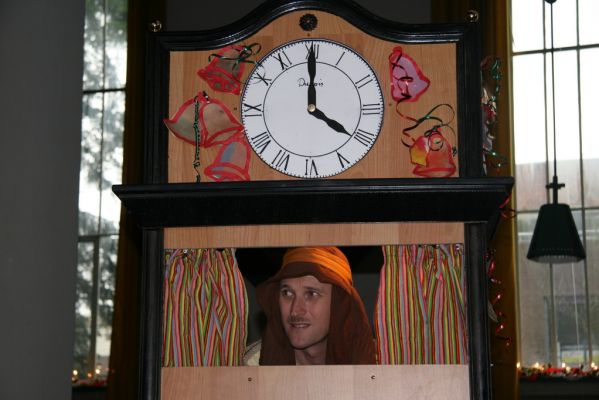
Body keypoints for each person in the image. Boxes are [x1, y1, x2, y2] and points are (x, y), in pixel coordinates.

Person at [253, 246, 376, 365]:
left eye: (311, 294)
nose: (295, 310)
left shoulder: (381, 368)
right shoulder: (249, 369)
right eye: (287, 293)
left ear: (339, 305)